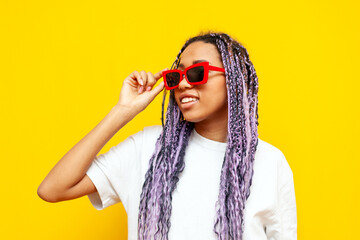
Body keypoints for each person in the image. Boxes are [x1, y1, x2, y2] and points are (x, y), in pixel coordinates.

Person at [38, 31, 297, 240]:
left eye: (197, 73)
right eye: (176, 75)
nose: (183, 83)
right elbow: (53, 189)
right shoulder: (149, 148)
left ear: (234, 81)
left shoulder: (270, 162)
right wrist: (122, 112)